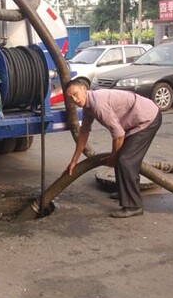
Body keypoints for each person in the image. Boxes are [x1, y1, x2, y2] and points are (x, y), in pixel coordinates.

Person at [64, 78, 162, 218]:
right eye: (70, 97)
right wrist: (74, 161)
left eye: (76, 94)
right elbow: (83, 133)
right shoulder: (88, 106)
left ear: (84, 89)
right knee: (122, 156)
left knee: (125, 160)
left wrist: (113, 156)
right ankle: (125, 193)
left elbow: (118, 135)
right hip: (134, 122)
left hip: (147, 119)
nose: (75, 99)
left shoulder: (98, 104)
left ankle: (134, 205)